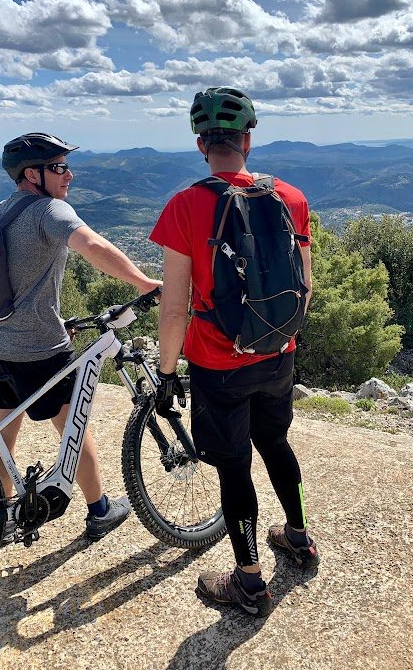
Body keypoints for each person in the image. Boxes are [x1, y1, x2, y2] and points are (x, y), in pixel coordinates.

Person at [149, 88, 318, 616]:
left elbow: (174, 309)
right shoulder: (290, 198)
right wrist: (279, 343)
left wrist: (167, 373)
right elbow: (305, 288)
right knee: (277, 443)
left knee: (234, 469)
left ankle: (247, 581)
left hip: (218, 364)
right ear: (248, 139)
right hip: (277, 354)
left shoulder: (185, 205)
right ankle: (297, 536)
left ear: (202, 145)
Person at [0, 132, 160, 543]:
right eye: (59, 168)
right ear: (32, 174)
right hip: (38, 348)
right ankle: (100, 510)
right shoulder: (49, 211)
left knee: (3, 431)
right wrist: (144, 282)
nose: (69, 176)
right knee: (73, 426)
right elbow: (92, 245)